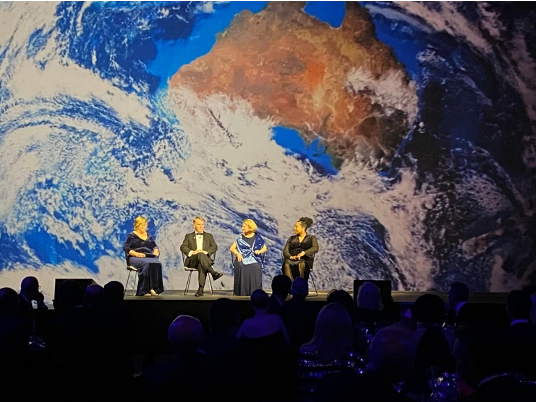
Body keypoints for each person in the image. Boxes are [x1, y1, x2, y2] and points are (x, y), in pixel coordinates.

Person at [180, 216, 223, 297]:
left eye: (202, 224)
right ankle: (213, 272)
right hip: (192, 261)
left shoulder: (209, 236)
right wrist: (193, 252)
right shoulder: (188, 236)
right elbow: (183, 247)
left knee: (201, 264)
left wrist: (205, 252)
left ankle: (200, 289)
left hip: (204, 261)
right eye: (199, 224)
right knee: (199, 254)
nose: (201, 226)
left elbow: (214, 247)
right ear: (194, 225)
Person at [122, 216, 164, 297]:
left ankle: (153, 288)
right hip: (135, 258)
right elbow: (126, 247)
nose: (145, 227)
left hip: (148, 256)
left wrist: (156, 250)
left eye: (145, 225)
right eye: (142, 225)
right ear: (137, 225)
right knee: (147, 264)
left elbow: (154, 246)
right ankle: (143, 290)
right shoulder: (132, 235)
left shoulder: (148, 236)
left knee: (157, 263)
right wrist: (136, 254)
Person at [229, 218, 267, 296]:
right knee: (241, 265)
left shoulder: (257, 237)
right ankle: (242, 292)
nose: (242, 228)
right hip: (242, 258)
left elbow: (264, 248)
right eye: (242, 226)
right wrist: (237, 253)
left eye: (244, 227)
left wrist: (259, 251)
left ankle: (255, 292)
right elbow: (232, 248)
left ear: (250, 227)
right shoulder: (240, 238)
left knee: (256, 266)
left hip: (254, 258)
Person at [282, 216, 319, 281]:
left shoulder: (311, 238)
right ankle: (291, 286)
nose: (294, 228)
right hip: (291, 260)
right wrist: (291, 257)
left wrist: (303, 253)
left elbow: (315, 248)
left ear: (303, 228)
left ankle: (300, 284)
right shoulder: (291, 238)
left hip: (304, 261)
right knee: (287, 264)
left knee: (301, 264)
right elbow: (285, 251)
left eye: (296, 227)